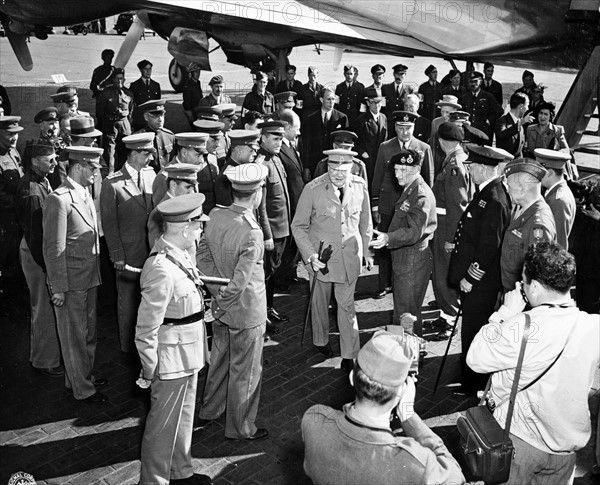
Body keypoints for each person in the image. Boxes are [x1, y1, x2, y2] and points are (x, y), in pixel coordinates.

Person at [467, 242, 600, 485]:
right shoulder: (593, 326)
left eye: (525, 282)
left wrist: (504, 312)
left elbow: (475, 357)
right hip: (567, 450)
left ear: (535, 287)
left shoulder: (521, 325)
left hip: (521, 443)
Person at [302, 330, 466, 485]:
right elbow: (455, 477)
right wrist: (408, 415)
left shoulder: (314, 419)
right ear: (402, 391)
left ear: (352, 378)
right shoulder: (414, 462)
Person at [136, 193, 211, 485]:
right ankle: (153, 480)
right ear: (184, 227)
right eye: (198, 225)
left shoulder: (179, 254)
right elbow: (146, 328)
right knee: (162, 427)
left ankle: (180, 472)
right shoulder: (160, 267)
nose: (201, 230)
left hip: (188, 352)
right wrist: (149, 368)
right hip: (169, 360)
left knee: (183, 419)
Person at [196, 163, 270, 441]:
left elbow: (202, 256)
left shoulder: (216, 215)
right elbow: (241, 281)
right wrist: (223, 301)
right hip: (246, 311)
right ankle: (241, 427)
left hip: (221, 306)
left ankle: (210, 409)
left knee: (220, 362)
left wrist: (216, 297)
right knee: (246, 371)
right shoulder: (252, 231)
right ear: (257, 193)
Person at [292, 149, 373, 371]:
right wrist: (309, 255)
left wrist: (367, 251)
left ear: (352, 168)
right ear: (327, 166)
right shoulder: (313, 189)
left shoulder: (359, 185)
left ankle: (349, 353)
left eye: (343, 170)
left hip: (349, 258)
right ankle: (321, 340)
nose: (337, 174)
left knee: (346, 307)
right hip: (321, 261)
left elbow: (365, 220)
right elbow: (298, 227)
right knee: (319, 303)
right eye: (333, 168)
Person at [42, 146, 108, 403]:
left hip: (89, 277)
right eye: (93, 168)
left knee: (88, 333)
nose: (96, 173)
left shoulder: (84, 193)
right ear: (78, 167)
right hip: (70, 282)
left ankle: (80, 377)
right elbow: (53, 248)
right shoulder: (59, 199)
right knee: (73, 337)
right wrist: (56, 287)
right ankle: (82, 390)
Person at [446, 145, 512, 395]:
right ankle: (469, 374)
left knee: (474, 331)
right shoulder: (489, 192)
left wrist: (469, 279)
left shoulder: (493, 198)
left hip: (481, 284)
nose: (470, 171)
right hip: (481, 281)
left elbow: (488, 247)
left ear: (484, 168)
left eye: (472, 167)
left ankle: (472, 382)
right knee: (472, 328)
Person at [100, 133, 157, 355]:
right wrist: (117, 256)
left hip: (151, 251)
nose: (150, 158)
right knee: (127, 301)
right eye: (146, 153)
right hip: (128, 255)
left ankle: (147, 343)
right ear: (133, 154)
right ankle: (128, 346)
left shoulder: (152, 175)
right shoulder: (112, 183)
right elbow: (109, 224)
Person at [370, 150, 437, 337]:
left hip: (412, 260)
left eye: (403, 170)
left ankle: (408, 358)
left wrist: (388, 238)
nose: (398, 174)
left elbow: (414, 231)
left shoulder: (419, 194)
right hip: (407, 259)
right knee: (407, 311)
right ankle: (409, 353)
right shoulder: (411, 188)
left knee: (406, 313)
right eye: (396, 169)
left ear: (416, 169)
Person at [15, 143, 62, 377]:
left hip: (37, 250)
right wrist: (48, 268)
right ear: (35, 161)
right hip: (37, 254)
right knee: (43, 308)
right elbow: (36, 235)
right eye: (50, 159)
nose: (54, 163)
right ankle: (45, 362)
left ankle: (42, 356)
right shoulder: (33, 190)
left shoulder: (40, 180)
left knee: (41, 306)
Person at [430, 123, 471, 337]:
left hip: (446, 229)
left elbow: (457, 206)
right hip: (444, 227)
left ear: (441, 141)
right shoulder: (458, 160)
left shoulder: (454, 166)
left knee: (445, 273)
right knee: (443, 274)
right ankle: (446, 315)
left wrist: (451, 238)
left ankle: (450, 320)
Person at [500, 158, 556, 292]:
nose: (507, 191)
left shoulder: (539, 224)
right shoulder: (521, 208)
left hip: (523, 298)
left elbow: (538, 274)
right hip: (510, 290)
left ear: (521, 189)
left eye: (509, 186)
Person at [255, 121, 290, 329]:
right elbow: (260, 205)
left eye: (280, 139)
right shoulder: (261, 163)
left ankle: (269, 309)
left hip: (282, 228)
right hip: (272, 231)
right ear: (263, 138)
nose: (279, 143)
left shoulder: (275, 159)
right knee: (264, 276)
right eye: (275, 139)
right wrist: (267, 235)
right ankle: (262, 317)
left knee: (271, 275)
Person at [152, 132, 216, 216]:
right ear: (184, 152)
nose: (201, 161)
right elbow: (158, 217)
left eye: (203, 156)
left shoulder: (192, 171)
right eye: (198, 155)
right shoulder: (164, 177)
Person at [0, 116, 24, 308]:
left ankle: (16, 300)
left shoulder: (13, 152)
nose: (14, 137)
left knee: (17, 260)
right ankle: (10, 306)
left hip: (17, 218)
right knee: (8, 262)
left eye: (16, 134)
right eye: (9, 134)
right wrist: (20, 202)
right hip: (4, 221)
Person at [147, 163, 201, 249]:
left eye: (193, 188)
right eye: (187, 188)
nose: (192, 193)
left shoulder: (189, 206)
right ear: (173, 185)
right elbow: (158, 250)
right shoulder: (159, 214)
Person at [301, 88, 349, 177]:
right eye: (328, 99)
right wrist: (306, 167)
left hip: (335, 163)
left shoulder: (342, 118)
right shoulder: (310, 119)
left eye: (333, 99)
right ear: (321, 99)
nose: (331, 102)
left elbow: (345, 144)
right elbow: (307, 145)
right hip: (315, 164)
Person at [536, 148, 576, 250]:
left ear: (549, 173)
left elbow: (559, 243)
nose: (536, 175)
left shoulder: (559, 201)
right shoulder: (554, 192)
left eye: (539, 171)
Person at [96, 68, 133, 173]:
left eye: (121, 79)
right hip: (110, 123)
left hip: (124, 124)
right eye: (117, 79)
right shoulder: (105, 93)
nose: (119, 81)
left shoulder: (129, 93)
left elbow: (131, 111)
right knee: (109, 151)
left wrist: (129, 124)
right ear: (113, 79)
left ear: (124, 79)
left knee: (125, 150)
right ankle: (110, 172)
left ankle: (122, 171)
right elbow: (100, 112)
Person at [351, 87, 388, 187]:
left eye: (378, 102)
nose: (377, 105)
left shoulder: (383, 118)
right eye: (373, 102)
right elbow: (354, 142)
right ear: (368, 103)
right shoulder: (361, 121)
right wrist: (362, 153)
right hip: (367, 160)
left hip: (380, 159)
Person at [461, 71, 502, 145]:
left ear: (481, 82)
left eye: (476, 81)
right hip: (469, 133)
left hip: (483, 133)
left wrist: (489, 120)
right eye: (471, 82)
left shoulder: (488, 96)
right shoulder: (465, 97)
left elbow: (499, 111)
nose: (473, 84)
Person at [134, 99, 175, 172]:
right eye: (155, 116)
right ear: (146, 117)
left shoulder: (169, 136)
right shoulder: (138, 138)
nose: (160, 120)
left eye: (162, 115)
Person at [430, 95, 462, 177]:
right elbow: (433, 145)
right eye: (442, 111)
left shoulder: (460, 123)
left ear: (455, 111)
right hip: (438, 160)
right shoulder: (436, 122)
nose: (444, 115)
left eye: (447, 112)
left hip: (455, 160)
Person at [494, 92, 533, 158]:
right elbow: (502, 134)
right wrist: (520, 123)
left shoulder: (520, 123)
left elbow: (519, 150)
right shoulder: (502, 121)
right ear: (520, 106)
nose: (528, 109)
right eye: (527, 105)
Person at [129, 59, 162, 132]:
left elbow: (157, 103)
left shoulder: (156, 85)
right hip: (140, 120)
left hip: (153, 119)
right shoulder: (135, 86)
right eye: (145, 69)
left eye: (150, 69)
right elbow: (131, 104)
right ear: (141, 70)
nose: (148, 71)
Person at [381, 64, 412, 134]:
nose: (399, 77)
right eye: (397, 74)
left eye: (402, 74)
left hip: (402, 123)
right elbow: (382, 107)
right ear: (393, 74)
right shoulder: (385, 88)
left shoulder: (409, 89)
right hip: (388, 123)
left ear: (405, 75)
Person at [182, 62, 203, 128]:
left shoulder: (198, 82)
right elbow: (186, 103)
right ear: (191, 73)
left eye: (199, 71)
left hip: (199, 109)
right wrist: (190, 115)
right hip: (193, 110)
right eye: (196, 72)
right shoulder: (187, 86)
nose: (198, 74)